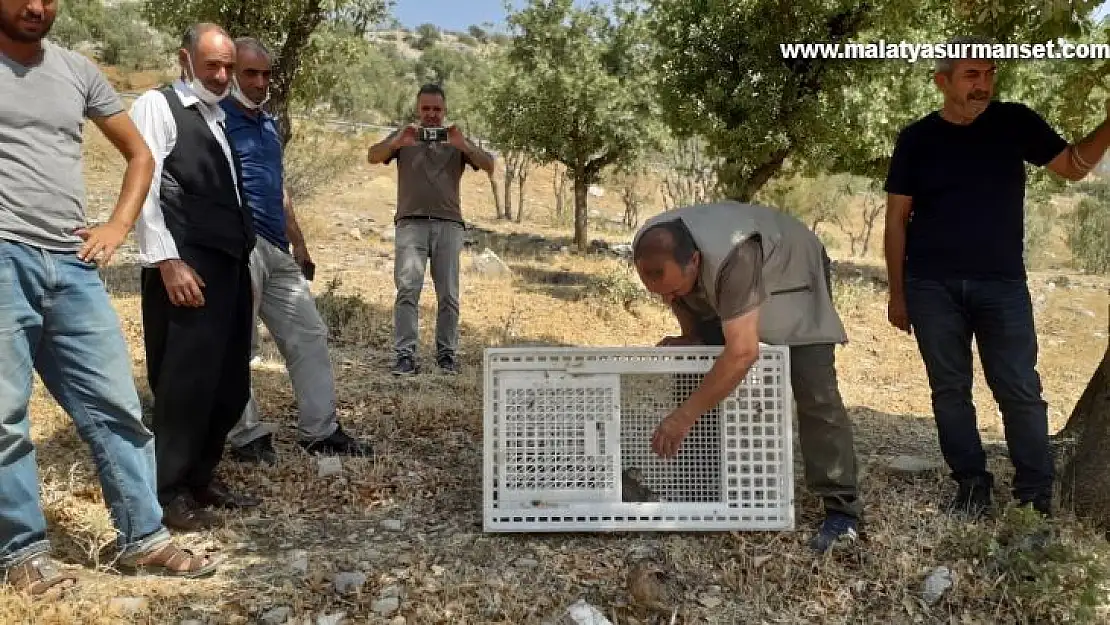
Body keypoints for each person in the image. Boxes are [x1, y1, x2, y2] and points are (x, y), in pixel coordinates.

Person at [0, 0, 220, 595]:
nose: (36, 6)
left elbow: (140, 153)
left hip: (72, 265)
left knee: (117, 407)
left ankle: (142, 540)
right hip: (3, 257)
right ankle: (22, 555)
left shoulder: (75, 69)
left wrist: (119, 227)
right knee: (5, 419)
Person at [883, 37, 1110, 519]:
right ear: (942, 82)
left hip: (1001, 283)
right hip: (931, 285)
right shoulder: (916, 140)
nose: (982, 84)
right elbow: (895, 221)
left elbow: (1071, 167)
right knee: (950, 391)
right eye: (971, 75)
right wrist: (897, 294)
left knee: (1020, 390)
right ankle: (971, 485)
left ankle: (1034, 496)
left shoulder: (1014, 122)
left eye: (988, 74)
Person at [631, 201, 862, 554]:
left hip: (792, 274)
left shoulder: (733, 255)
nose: (667, 302)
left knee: (814, 388)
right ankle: (700, 490)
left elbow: (742, 353)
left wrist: (682, 417)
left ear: (693, 261)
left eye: (673, 293)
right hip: (720, 280)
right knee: (696, 368)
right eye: (661, 295)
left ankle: (841, 511)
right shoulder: (654, 243)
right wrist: (693, 334)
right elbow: (688, 300)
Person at [130, 23, 260, 531]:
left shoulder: (218, 117)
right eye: (214, 66)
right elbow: (143, 190)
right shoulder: (157, 107)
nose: (224, 75)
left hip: (225, 270)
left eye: (228, 66)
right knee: (183, 387)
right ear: (186, 59)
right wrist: (167, 261)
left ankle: (200, 479)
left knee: (228, 385)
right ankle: (166, 493)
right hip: (183, 270)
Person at [219, 37, 372, 464]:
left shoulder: (268, 125)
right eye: (251, 73)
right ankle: (246, 435)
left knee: (309, 334)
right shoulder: (216, 118)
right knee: (239, 345)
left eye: (266, 74)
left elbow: (278, 188)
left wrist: (300, 244)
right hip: (240, 245)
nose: (260, 82)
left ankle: (320, 430)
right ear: (232, 72)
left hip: (277, 249)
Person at [366, 83, 495, 376]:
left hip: (449, 225)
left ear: (445, 110)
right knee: (408, 290)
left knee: (448, 294)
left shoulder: (456, 138)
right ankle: (405, 355)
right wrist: (397, 142)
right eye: (426, 109)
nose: (432, 115)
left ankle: (446, 355)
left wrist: (465, 146)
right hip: (411, 224)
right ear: (418, 109)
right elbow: (372, 156)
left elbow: (489, 165)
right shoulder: (406, 135)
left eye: (437, 109)